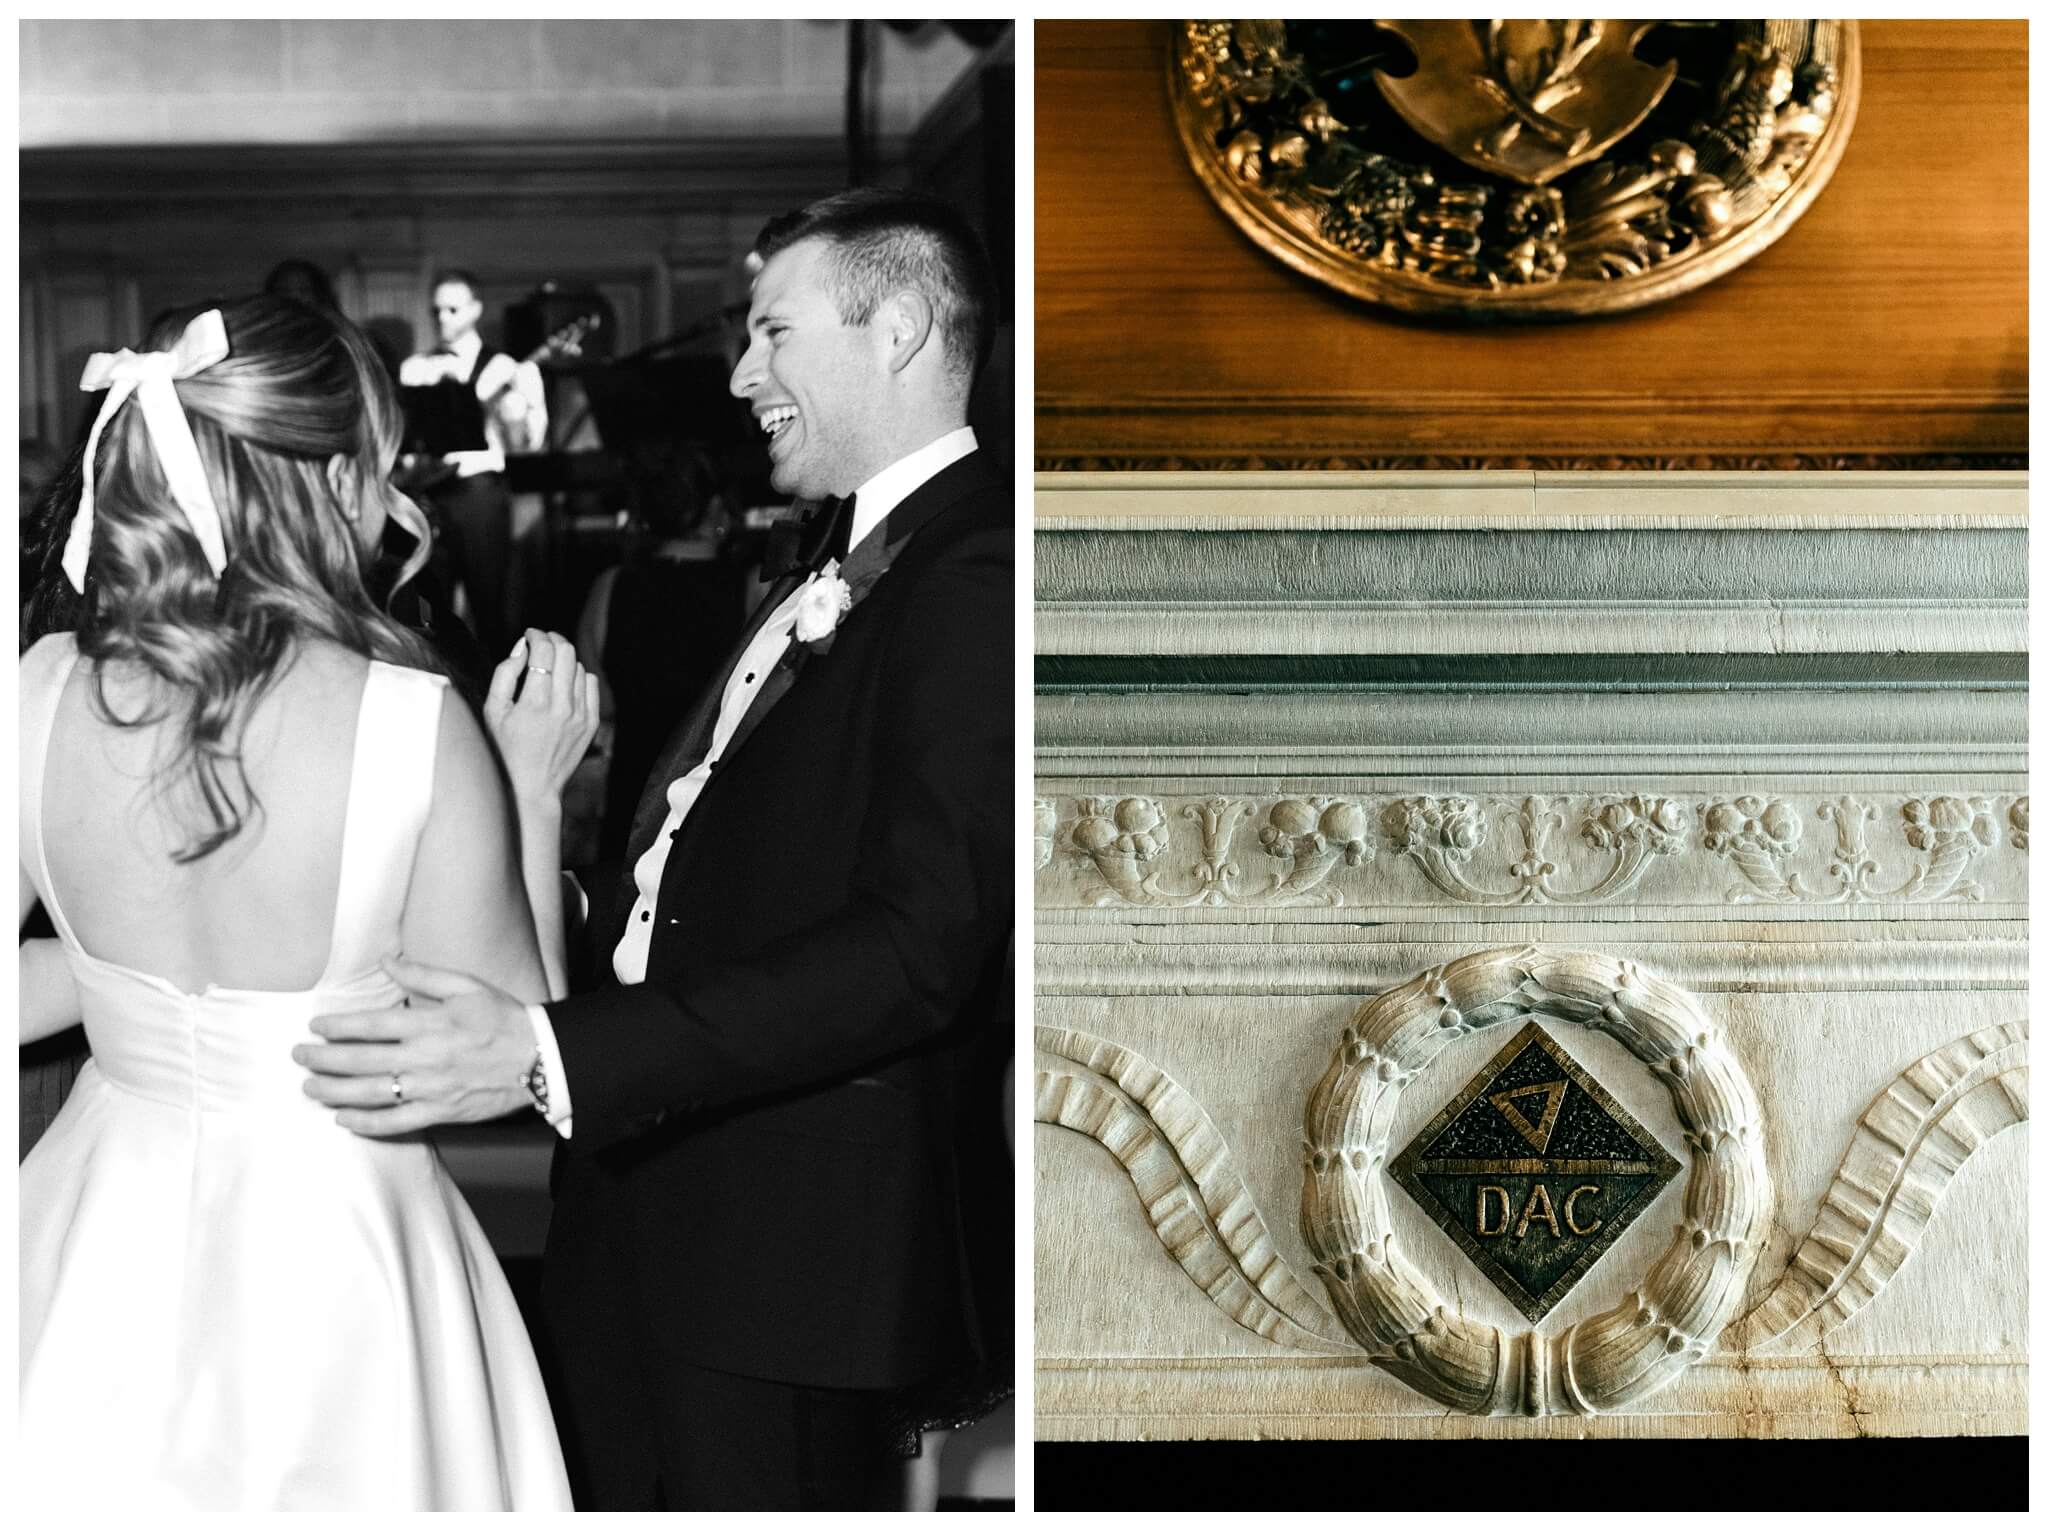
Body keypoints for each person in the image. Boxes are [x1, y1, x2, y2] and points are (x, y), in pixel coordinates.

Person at [299, 186, 1014, 1509]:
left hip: (784, 1250)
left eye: (774, 332)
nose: (741, 374)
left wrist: (555, 1050)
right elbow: (718, 882)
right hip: (651, 1202)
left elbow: (917, 947)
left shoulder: (974, 571)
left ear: (901, 326)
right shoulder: (838, 558)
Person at [17, 295, 594, 1510]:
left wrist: (122, 986)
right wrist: (531, 790)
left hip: (90, 1222)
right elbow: (510, 1049)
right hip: (333, 1246)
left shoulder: (42, 689)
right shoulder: (408, 724)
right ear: (334, 479)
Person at [398, 269, 547, 652]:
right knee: (431, 603)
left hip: (480, 493)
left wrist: (514, 415)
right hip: (427, 492)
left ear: (476, 309)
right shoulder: (414, 368)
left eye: (453, 308)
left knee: (489, 604)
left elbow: (527, 446)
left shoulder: (506, 368)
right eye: (437, 310)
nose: (443, 318)